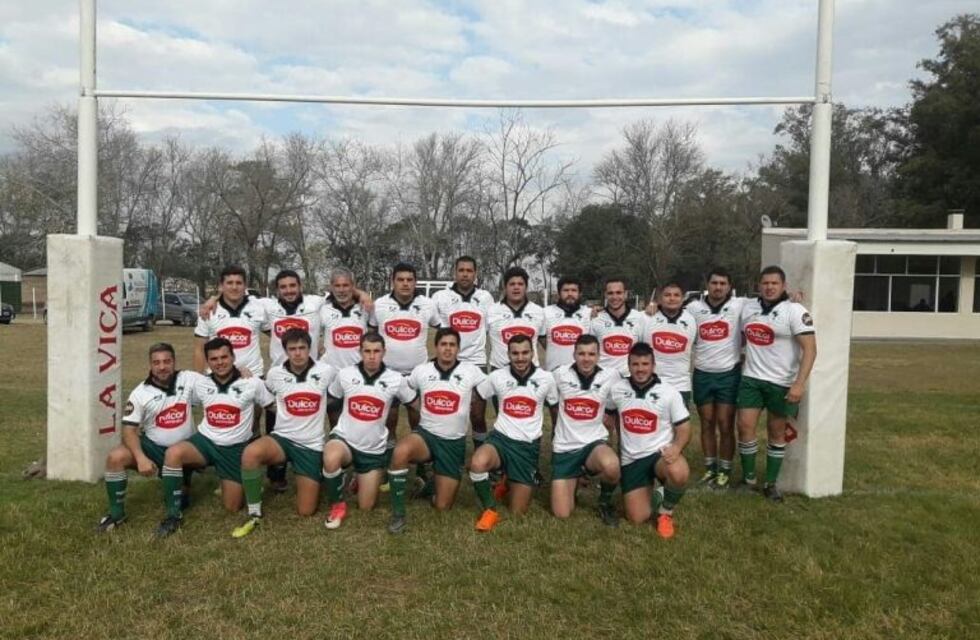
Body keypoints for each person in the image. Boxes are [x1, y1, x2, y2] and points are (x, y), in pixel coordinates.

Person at [155, 338, 275, 538]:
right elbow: (168, 379)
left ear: (233, 357)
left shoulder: (252, 383)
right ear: (208, 362)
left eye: (224, 357)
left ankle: (233, 478)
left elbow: (272, 407)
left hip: (234, 449)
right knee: (174, 453)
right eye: (214, 359)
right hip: (206, 442)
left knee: (232, 507)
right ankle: (173, 514)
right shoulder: (200, 382)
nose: (220, 362)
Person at [231, 329, 337, 538]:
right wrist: (243, 373)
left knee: (306, 511)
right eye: (292, 349)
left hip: (311, 445)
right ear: (285, 351)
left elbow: (343, 391)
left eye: (302, 348)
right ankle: (254, 510)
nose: (297, 353)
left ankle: (317, 473)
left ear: (310, 349)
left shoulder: (327, 371)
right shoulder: (275, 373)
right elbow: (266, 394)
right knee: (251, 453)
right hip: (282, 438)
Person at [386, 328, 487, 534]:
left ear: (458, 348)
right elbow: (404, 388)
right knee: (401, 452)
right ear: (436, 347)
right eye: (443, 344)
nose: (447, 349)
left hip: (453, 443)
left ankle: (431, 485)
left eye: (452, 345)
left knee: (442, 506)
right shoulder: (422, 370)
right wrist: (414, 403)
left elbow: (490, 388)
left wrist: (471, 399)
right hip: (426, 436)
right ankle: (398, 514)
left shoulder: (471, 371)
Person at [96, 343, 202, 532]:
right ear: (150, 365)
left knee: (182, 498)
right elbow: (129, 430)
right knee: (115, 457)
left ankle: (173, 516)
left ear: (174, 362)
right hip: (154, 448)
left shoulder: (189, 379)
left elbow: (219, 382)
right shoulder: (140, 393)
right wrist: (141, 458)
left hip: (186, 451)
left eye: (167, 361)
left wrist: (241, 372)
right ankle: (116, 515)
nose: (162, 367)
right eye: (157, 362)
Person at [736, 266, 817, 502]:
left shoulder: (794, 310)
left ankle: (771, 484)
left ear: (783, 286)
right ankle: (748, 479)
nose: (769, 287)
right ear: (759, 285)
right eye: (765, 283)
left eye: (774, 283)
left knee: (776, 431)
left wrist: (799, 384)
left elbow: (810, 349)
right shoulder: (748, 307)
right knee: (744, 426)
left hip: (781, 382)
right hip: (751, 379)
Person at [321, 333, 416, 530]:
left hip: (373, 450)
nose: (372, 356)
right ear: (360, 352)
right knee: (331, 456)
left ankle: (358, 476)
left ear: (384, 353)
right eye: (367, 351)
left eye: (376, 351)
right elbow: (330, 399)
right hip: (345, 440)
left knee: (366, 507)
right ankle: (337, 505)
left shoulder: (395, 379)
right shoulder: (346, 374)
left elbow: (415, 403)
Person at [468, 334, 558, 532]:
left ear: (532, 353)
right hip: (500, 440)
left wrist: (556, 436)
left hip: (527, 447)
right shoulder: (497, 376)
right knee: (477, 463)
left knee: (518, 512)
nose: (520, 358)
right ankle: (490, 509)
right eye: (515, 353)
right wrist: (478, 421)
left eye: (525, 352)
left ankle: (508, 480)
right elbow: (479, 395)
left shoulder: (546, 379)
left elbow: (554, 408)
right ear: (508, 354)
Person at [606, 343, 691, 539]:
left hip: (659, 455)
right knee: (637, 518)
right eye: (635, 364)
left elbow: (685, 428)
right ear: (628, 365)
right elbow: (608, 419)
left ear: (653, 366)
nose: (640, 369)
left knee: (679, 472)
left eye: (645, 364)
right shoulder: (617, 389)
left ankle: (665, 512)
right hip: (631, 459)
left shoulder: (669, 392)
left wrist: (677, 448)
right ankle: (658, 493)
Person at [549, 335, 621, 526]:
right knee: (562, 513)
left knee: (612, 465)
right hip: (565, 448)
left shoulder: (611, 376)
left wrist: (610, 439)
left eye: (591, 354)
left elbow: (613, 409)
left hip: (593, 444)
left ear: (598, 356)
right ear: (574, 354)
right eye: (581, 353)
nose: (586, 358)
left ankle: (604, 502)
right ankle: (576, 477)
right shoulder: (559, 374)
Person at [368, 262, 440, 450]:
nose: (405, 284)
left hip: (416, 373)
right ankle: (389, 452)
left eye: (409, 280)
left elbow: (442, 330)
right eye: (400, 280)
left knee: (418, 418)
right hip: (388, 374)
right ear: (393, 282)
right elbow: (372, 333)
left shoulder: (428, 305)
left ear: (416, 282)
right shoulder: (380, 305)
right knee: (389, 418)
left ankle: (421, 459)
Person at [685, 267, 746, 488]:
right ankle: (710, 469)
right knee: (707, 423)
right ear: (707, 284)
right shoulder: (693, 308)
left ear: (729, 286)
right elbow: (670, 313)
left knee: (725, 424)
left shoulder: (740, 305)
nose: (718, 287)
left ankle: (725, 470)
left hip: (728, 374)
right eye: (714, 283)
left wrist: (793, 299)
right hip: (702, 373)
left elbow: (766, 306)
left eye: (722, 283)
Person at [431, 256, 495, 452]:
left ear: (475, 273)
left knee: (477, 414)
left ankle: (480, 453)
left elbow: (489, 326)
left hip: (477, 362)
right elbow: (434, 322)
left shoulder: (486, 297)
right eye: (461, 270)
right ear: (454, 272)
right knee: (446, 411)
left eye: (469, 270)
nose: (465, 274)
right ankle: (445, 452)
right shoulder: (440, 297)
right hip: (450, 362)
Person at [193, 265, 267, 378]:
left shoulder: (259, 307)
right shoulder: (208, 311)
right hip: (218, 379)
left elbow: (278, 336)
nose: (234, 287)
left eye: (238, 283)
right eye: (229, 283)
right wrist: (198, 378)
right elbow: (199, 349)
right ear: (221, 286)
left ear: (245, 286)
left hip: (253, 377)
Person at [642, 282, 697, 406]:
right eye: (667, 295)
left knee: (681, 425)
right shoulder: (646, 318)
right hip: (652, 384)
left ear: (683, 298)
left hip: (681, 386)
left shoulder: (692, 319)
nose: (672, 298)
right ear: (660, 298)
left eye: (676, 295)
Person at [486, 267, 545, 371]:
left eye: (520, 284)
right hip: (499, 372)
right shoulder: (491, 311)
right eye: (512, 284)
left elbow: (547, 343)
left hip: (530, 373)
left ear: (526, 287)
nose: (516, 287)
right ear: (505, 287)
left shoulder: (539, 312)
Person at [590, 277, 645, 377]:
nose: (615, 297)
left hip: (630, 380)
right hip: (603, 380)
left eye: (619, 292)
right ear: (605, 295)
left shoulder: (640, 318)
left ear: (625, 294)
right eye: (610, 293)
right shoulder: (596, 320)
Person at [540, 276, 592, 372]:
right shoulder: (546, 312)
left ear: (580, 293)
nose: (570, 294)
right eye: (566, 290)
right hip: (553, 373)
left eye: (573, 290)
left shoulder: (589, 313)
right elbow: (541, 338)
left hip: (580, 375)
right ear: (559, 293)